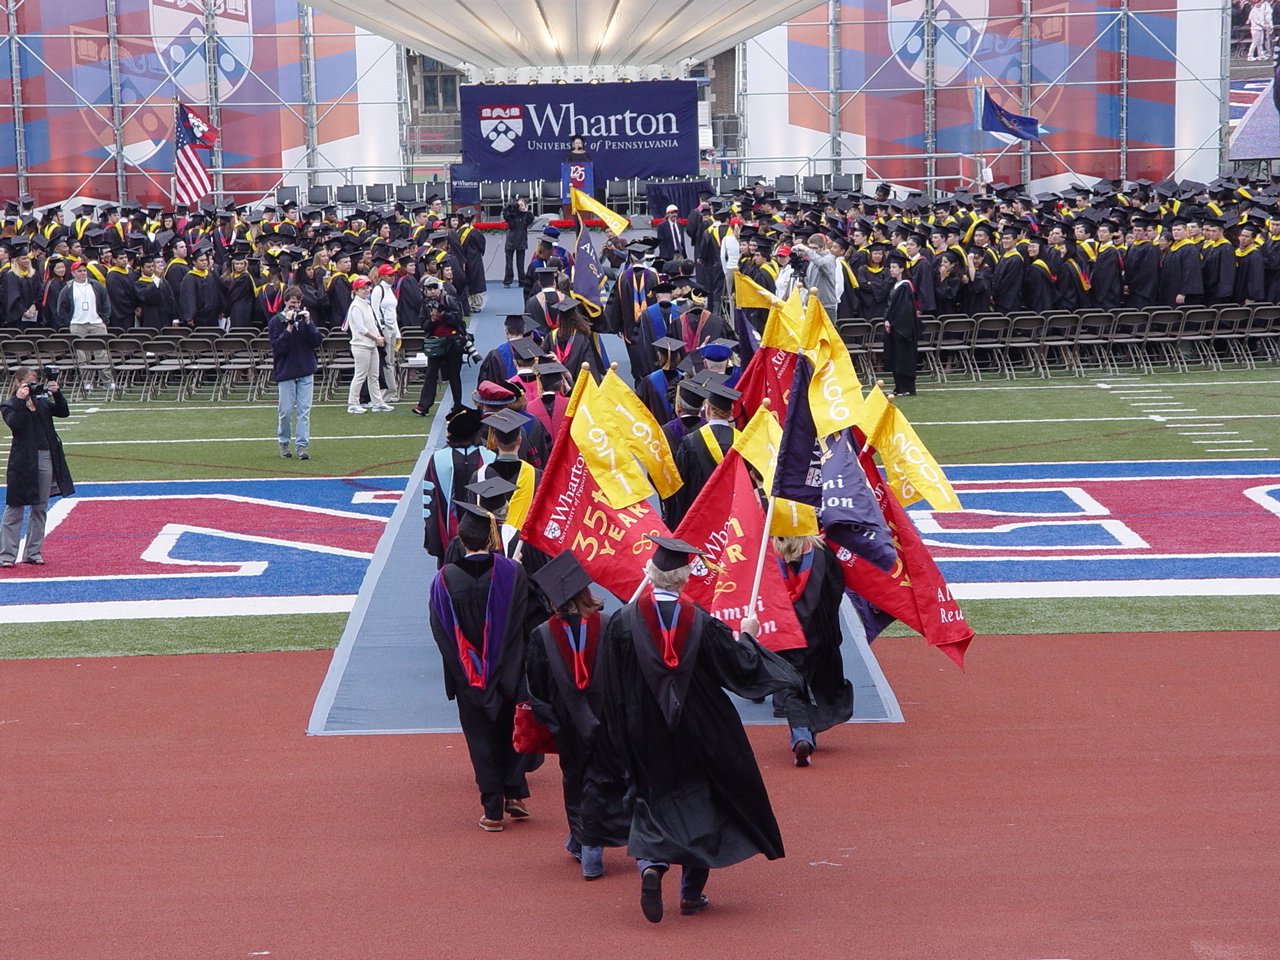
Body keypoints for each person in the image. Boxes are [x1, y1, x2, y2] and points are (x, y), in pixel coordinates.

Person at [599, 535, 804, 923]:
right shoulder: (701, 622)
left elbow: (610, 684)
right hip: (700, 728)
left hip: (643, 726)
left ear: (651, 573)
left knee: (652, 796)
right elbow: (739, 670)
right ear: (686, 577)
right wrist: (748, 637)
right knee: (706, 802)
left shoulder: (622, 622)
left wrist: (618, 729)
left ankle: (651, 864)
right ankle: (691, 894)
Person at [427, 500, 535, 832]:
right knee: (511, 730)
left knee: (481, 738)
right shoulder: (511, 572)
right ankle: (514, 793)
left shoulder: (443, 581)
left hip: (467, 676)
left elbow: (443, 635)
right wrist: (510, 667)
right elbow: (521, 624)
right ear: (490, 540)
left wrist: (464, 673)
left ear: (460, 540)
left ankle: (493, 809)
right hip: (509, 670)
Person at [525, 552, 631, 880]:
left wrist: (554, 722)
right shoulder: (610, 623)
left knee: (575, 780)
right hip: (607, 719)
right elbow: (625, 674)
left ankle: (587, 845)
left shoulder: (541, 635)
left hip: (567, 724)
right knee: (605, 778)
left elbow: (537, 687)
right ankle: (590, 845)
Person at [771, 535, 854, 765]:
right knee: (818, 682)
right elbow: (836, 590)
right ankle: (808, 733)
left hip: (786, 634)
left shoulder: (767, 557)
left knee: (790, 685)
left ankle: (801, 734)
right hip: (820, 634)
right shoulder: (822, 554)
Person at [1, 367, 74, 568]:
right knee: (15, 507)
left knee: (40, 506)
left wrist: (57, 393)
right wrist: (20, 401)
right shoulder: (9, 405)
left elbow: (63, 412)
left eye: (34, 382)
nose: (32, 387)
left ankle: (33, 552)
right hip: (23, 460)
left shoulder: (42, 403)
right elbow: (15, 424)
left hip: (45, 456)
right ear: (18, 383)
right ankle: (7, 554)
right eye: (28, 383)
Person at [268, 285, 322, 460]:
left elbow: (316, 342)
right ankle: (284, 442)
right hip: (286, 371)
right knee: (285, 411)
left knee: (304, 412)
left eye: (298, 303)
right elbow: (279, 347)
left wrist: (308, 323)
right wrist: (289, 327)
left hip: (305, 369)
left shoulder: (305, 320)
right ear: (285, 302)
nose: (295, 307)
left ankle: (302, 446)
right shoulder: (276, 322)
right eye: (292, 304)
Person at [56, 260, 115, 395]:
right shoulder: (68, 288)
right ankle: (87, 382)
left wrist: (104, 320)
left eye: (84, 270)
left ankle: (107, 381)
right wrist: (70, 322)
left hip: (96, 324)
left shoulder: (96, 286)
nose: (83, 273)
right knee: (83, 357)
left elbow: (106, 303)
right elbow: (61, 308)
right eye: (79, 271)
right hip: (78, 325)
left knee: (102, 355)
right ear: (73, 273)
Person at [414, 276, 467, 417]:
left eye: (434, 288)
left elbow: (459, 320)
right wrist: (432, 319)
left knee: (454, 376)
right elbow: (424, 326)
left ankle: (458, 405)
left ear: (440, 288)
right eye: (429, 289)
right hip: (436, 343)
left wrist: (443, 315)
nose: (432, 291)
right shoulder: (425, 305)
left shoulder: (449, 300)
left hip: (452, 342)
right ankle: (423, 406)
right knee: (431, 374)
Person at [345, 276, 392, 414]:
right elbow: (361, 329)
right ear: (356, 290)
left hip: (371, 345)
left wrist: (378, 336)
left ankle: (377, 402)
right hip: (361, 346)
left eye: (368, 287)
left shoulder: (366, 304)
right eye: (363, 288)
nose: (367, 290)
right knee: (360, 375)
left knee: (374, 375)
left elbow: (372, 324)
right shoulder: (355, 306)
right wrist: (376, 338)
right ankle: (353, 403)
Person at [883, 251, 919, 397]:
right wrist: (887, 320)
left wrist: (892, 322)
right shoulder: (896, 285)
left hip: (902, 329)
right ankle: (898, 387)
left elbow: (904, 310)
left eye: (894, 267)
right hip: (894, 327)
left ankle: (907, 388)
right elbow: (891, 306)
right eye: (891, 267)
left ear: (902, 268)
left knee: (904, 358)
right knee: (896, 357)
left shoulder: (905, 286)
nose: (891, 269)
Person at [502, 196, 536, 288]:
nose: (520, 206)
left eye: (522, 204)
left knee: (520, 264)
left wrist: (526, 210)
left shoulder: (526, 215)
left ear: (525, 205)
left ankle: (522, 281)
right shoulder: (512, 214)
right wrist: (508, 208)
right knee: (509, 264)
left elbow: (531, 219)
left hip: (521, 241)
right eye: (519, 204)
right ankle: (507, 281)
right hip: (510, 242)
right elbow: (505, 216)